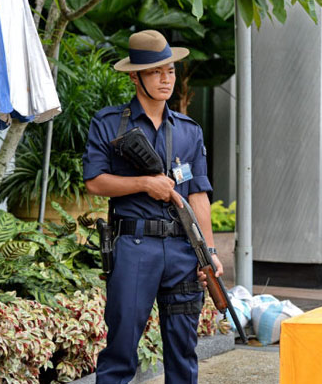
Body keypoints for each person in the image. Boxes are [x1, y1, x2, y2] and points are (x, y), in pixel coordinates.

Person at [82, 29, 223, 383]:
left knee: (183, 354)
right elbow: (94, 181)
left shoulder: (190, 131)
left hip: (182, 251)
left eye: (171, 71)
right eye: (156, 72)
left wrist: (208, 250)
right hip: (134, 248)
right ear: (135, 76)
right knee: (121, 350)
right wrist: (145, 183)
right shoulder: (110, 122)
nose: (166, 79)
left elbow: (198, 194)